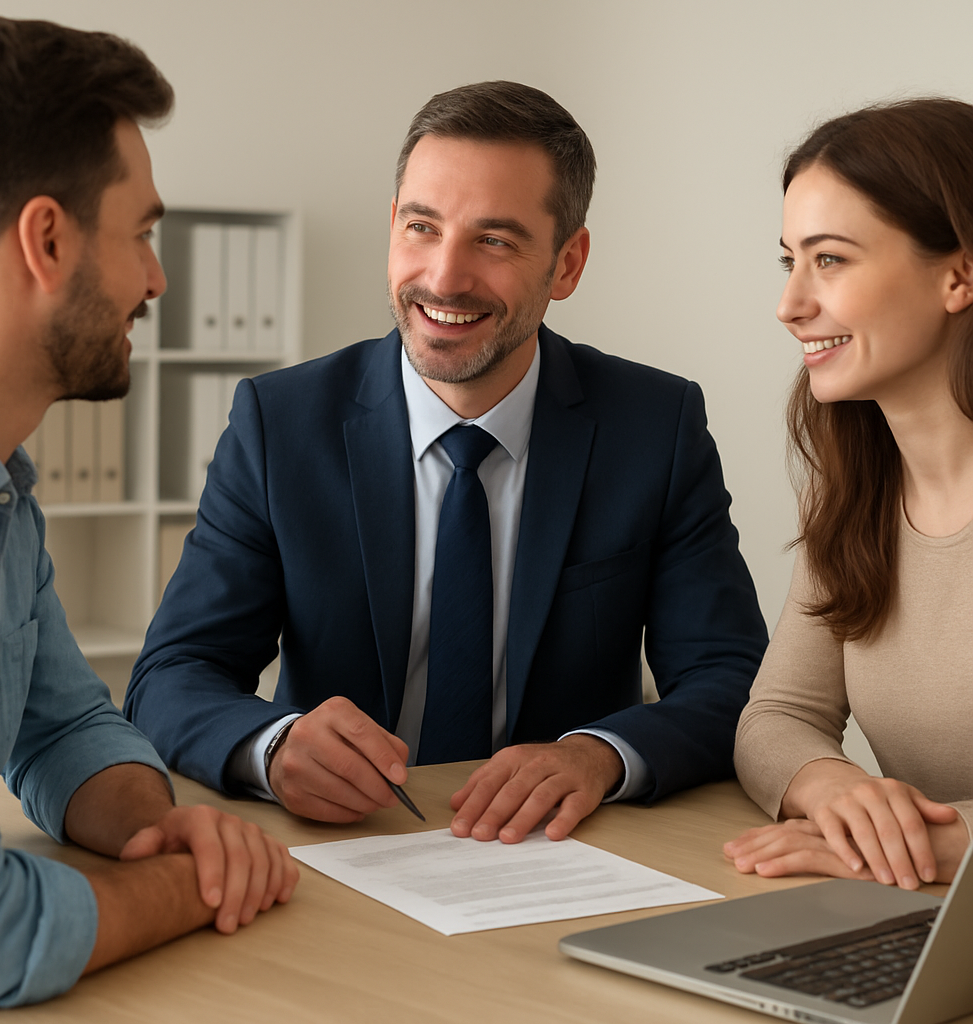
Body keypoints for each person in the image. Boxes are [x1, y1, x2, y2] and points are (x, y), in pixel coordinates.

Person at [126, 81, 767, 845]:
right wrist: (274, 746)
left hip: (566, 850)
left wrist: (599, 755)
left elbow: (734, 681)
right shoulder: (280, 423)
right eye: (421, 227)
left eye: (493, 240)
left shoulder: (654, 426)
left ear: (567, 264)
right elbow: (172, 675)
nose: (444, 277)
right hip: (350, 847)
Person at [0, 17, 297, 1013]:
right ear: (46, 240)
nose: (158, 278)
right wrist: (189, 884)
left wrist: (160, 825)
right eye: (141, 235)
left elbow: (62, 729)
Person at [726, 98, 973, 893]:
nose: (791, 304)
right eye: (788, 260)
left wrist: (954, 843)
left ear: (959, 274)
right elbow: (778, 717)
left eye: (829, 260)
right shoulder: (856, 493)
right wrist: (839, 793)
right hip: (921, 917)